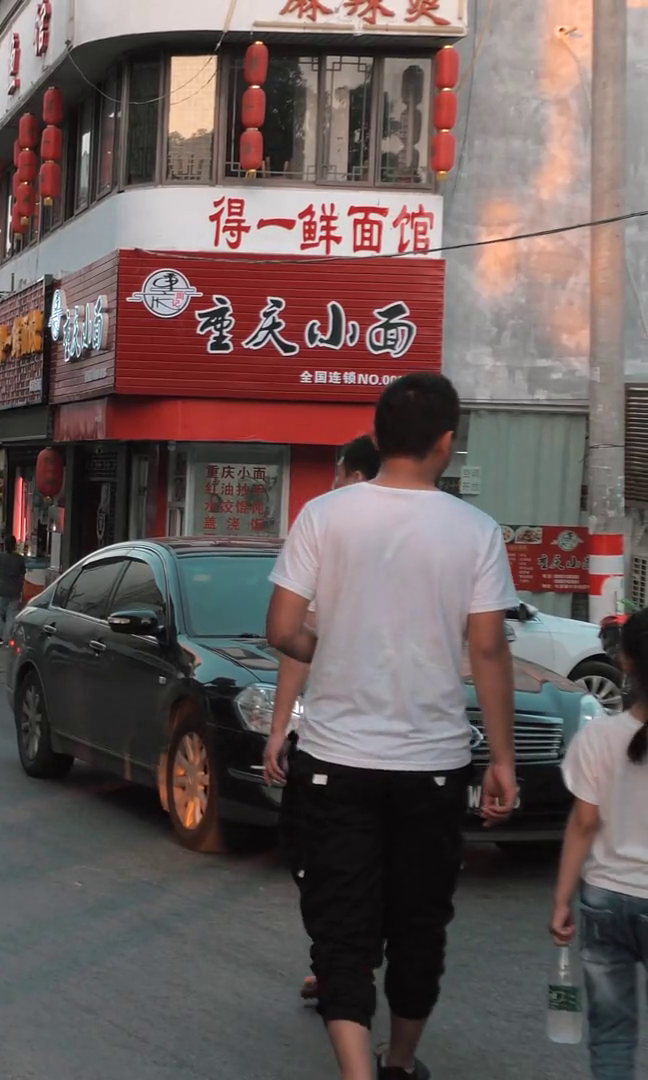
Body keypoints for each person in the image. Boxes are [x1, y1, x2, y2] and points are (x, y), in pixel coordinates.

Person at [265, 373, 518, 1080]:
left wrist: (333, 646)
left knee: (340, 926)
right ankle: (400, 1062)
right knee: (418, 924)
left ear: (376, 438)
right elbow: (489, 649)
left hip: (334, 761)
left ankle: (357, 1073)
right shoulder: (475, 531)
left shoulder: (324, 516)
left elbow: (282, 630)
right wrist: (502, 759)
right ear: (447, 443)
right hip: (432, 765)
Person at [267, 434, 381, 1002]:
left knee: (316, 854)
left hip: (336, 744)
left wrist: (279, 729)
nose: (333, 484)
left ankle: (342, 962)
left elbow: (291, 637)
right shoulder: (438, 532)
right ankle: (352, 959)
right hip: (419, 747)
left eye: (338, 473)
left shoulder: (327, 530)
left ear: (354, 475)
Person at [552, 610, 648, 1080]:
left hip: (605, 899)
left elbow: (583, 823)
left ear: (625, 661)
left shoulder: (598, 737)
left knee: (611, 1034)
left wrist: (561, 901)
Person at [0, 531, 27, 648]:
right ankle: (8, 639)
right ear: (15, 545)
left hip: (1, 590)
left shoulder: (0, 556)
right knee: (11, 615)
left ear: (4, 545)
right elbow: (23, 574)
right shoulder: (20, 559)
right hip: (15, 591)